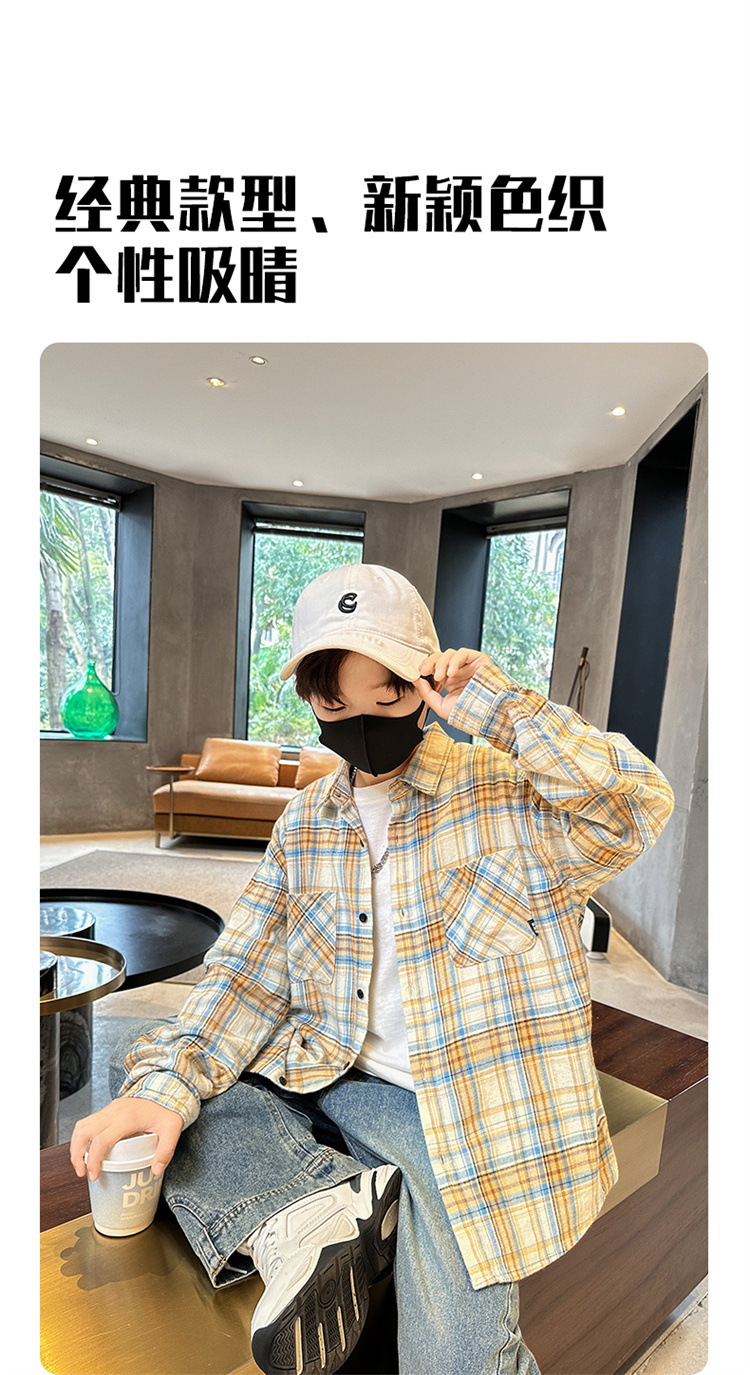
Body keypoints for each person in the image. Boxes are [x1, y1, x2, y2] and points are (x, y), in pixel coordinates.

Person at [71, 563, 674, 1375]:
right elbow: (245, 972)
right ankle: (320, 1210)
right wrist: (162, 1087)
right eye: (335, 704)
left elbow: (638, 805)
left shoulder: (511, 800)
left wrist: (500, 708)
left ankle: (323, 1201)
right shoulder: (304, 825)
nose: (360, 723)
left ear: (426, 681)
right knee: (169, 1080)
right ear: (311, 699)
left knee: (455, 1360)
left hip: (460, 1111)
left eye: (386, 697)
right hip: (327, 1077)